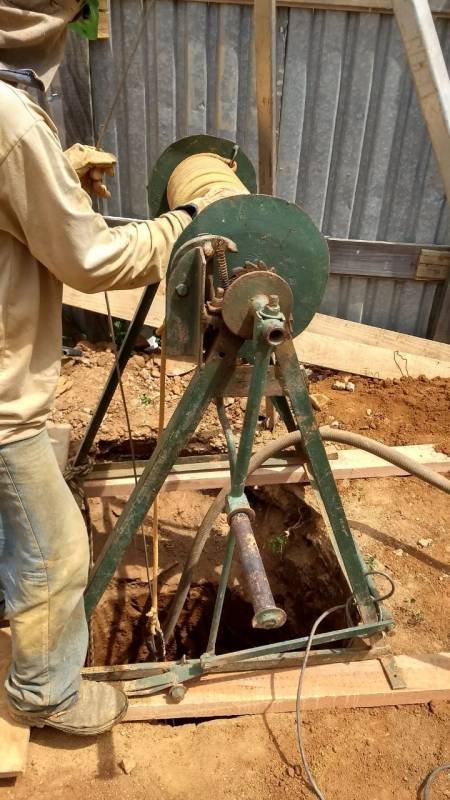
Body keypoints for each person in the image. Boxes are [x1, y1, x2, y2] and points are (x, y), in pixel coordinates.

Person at [0, 0, 236, 736]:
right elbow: (92, 259)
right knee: (58, 553)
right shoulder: (10, 118)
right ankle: (45, 694)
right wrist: (187, 222)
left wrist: (56, 176)